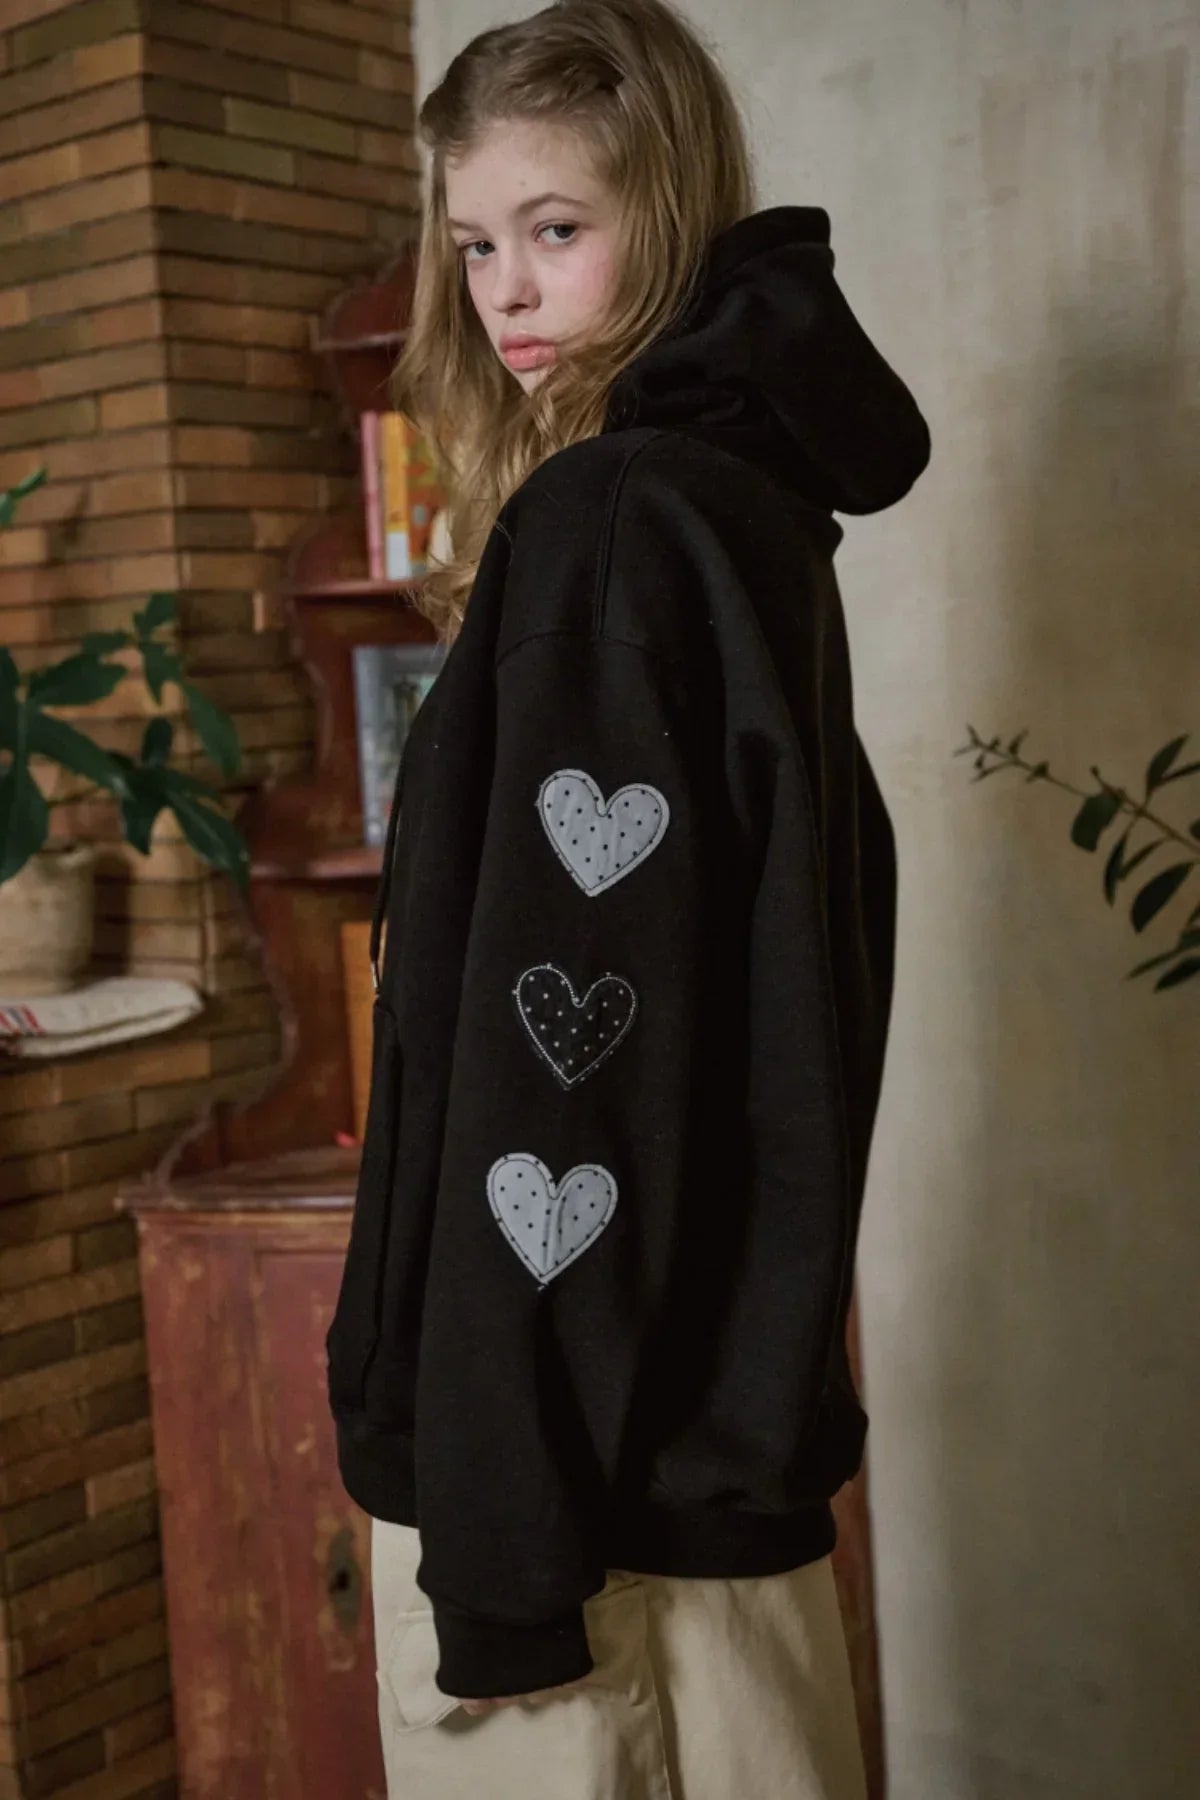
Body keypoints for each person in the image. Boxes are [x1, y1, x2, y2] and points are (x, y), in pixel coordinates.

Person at [324, 1, 931, 1793]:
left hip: (585, 1547)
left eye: (557, 228)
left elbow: (566, 1093)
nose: (506, 293)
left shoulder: (612, 525)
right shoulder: (740, 515)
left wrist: (501, 1562)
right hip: (703, 1472)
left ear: (665, 214)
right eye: (473, 245)